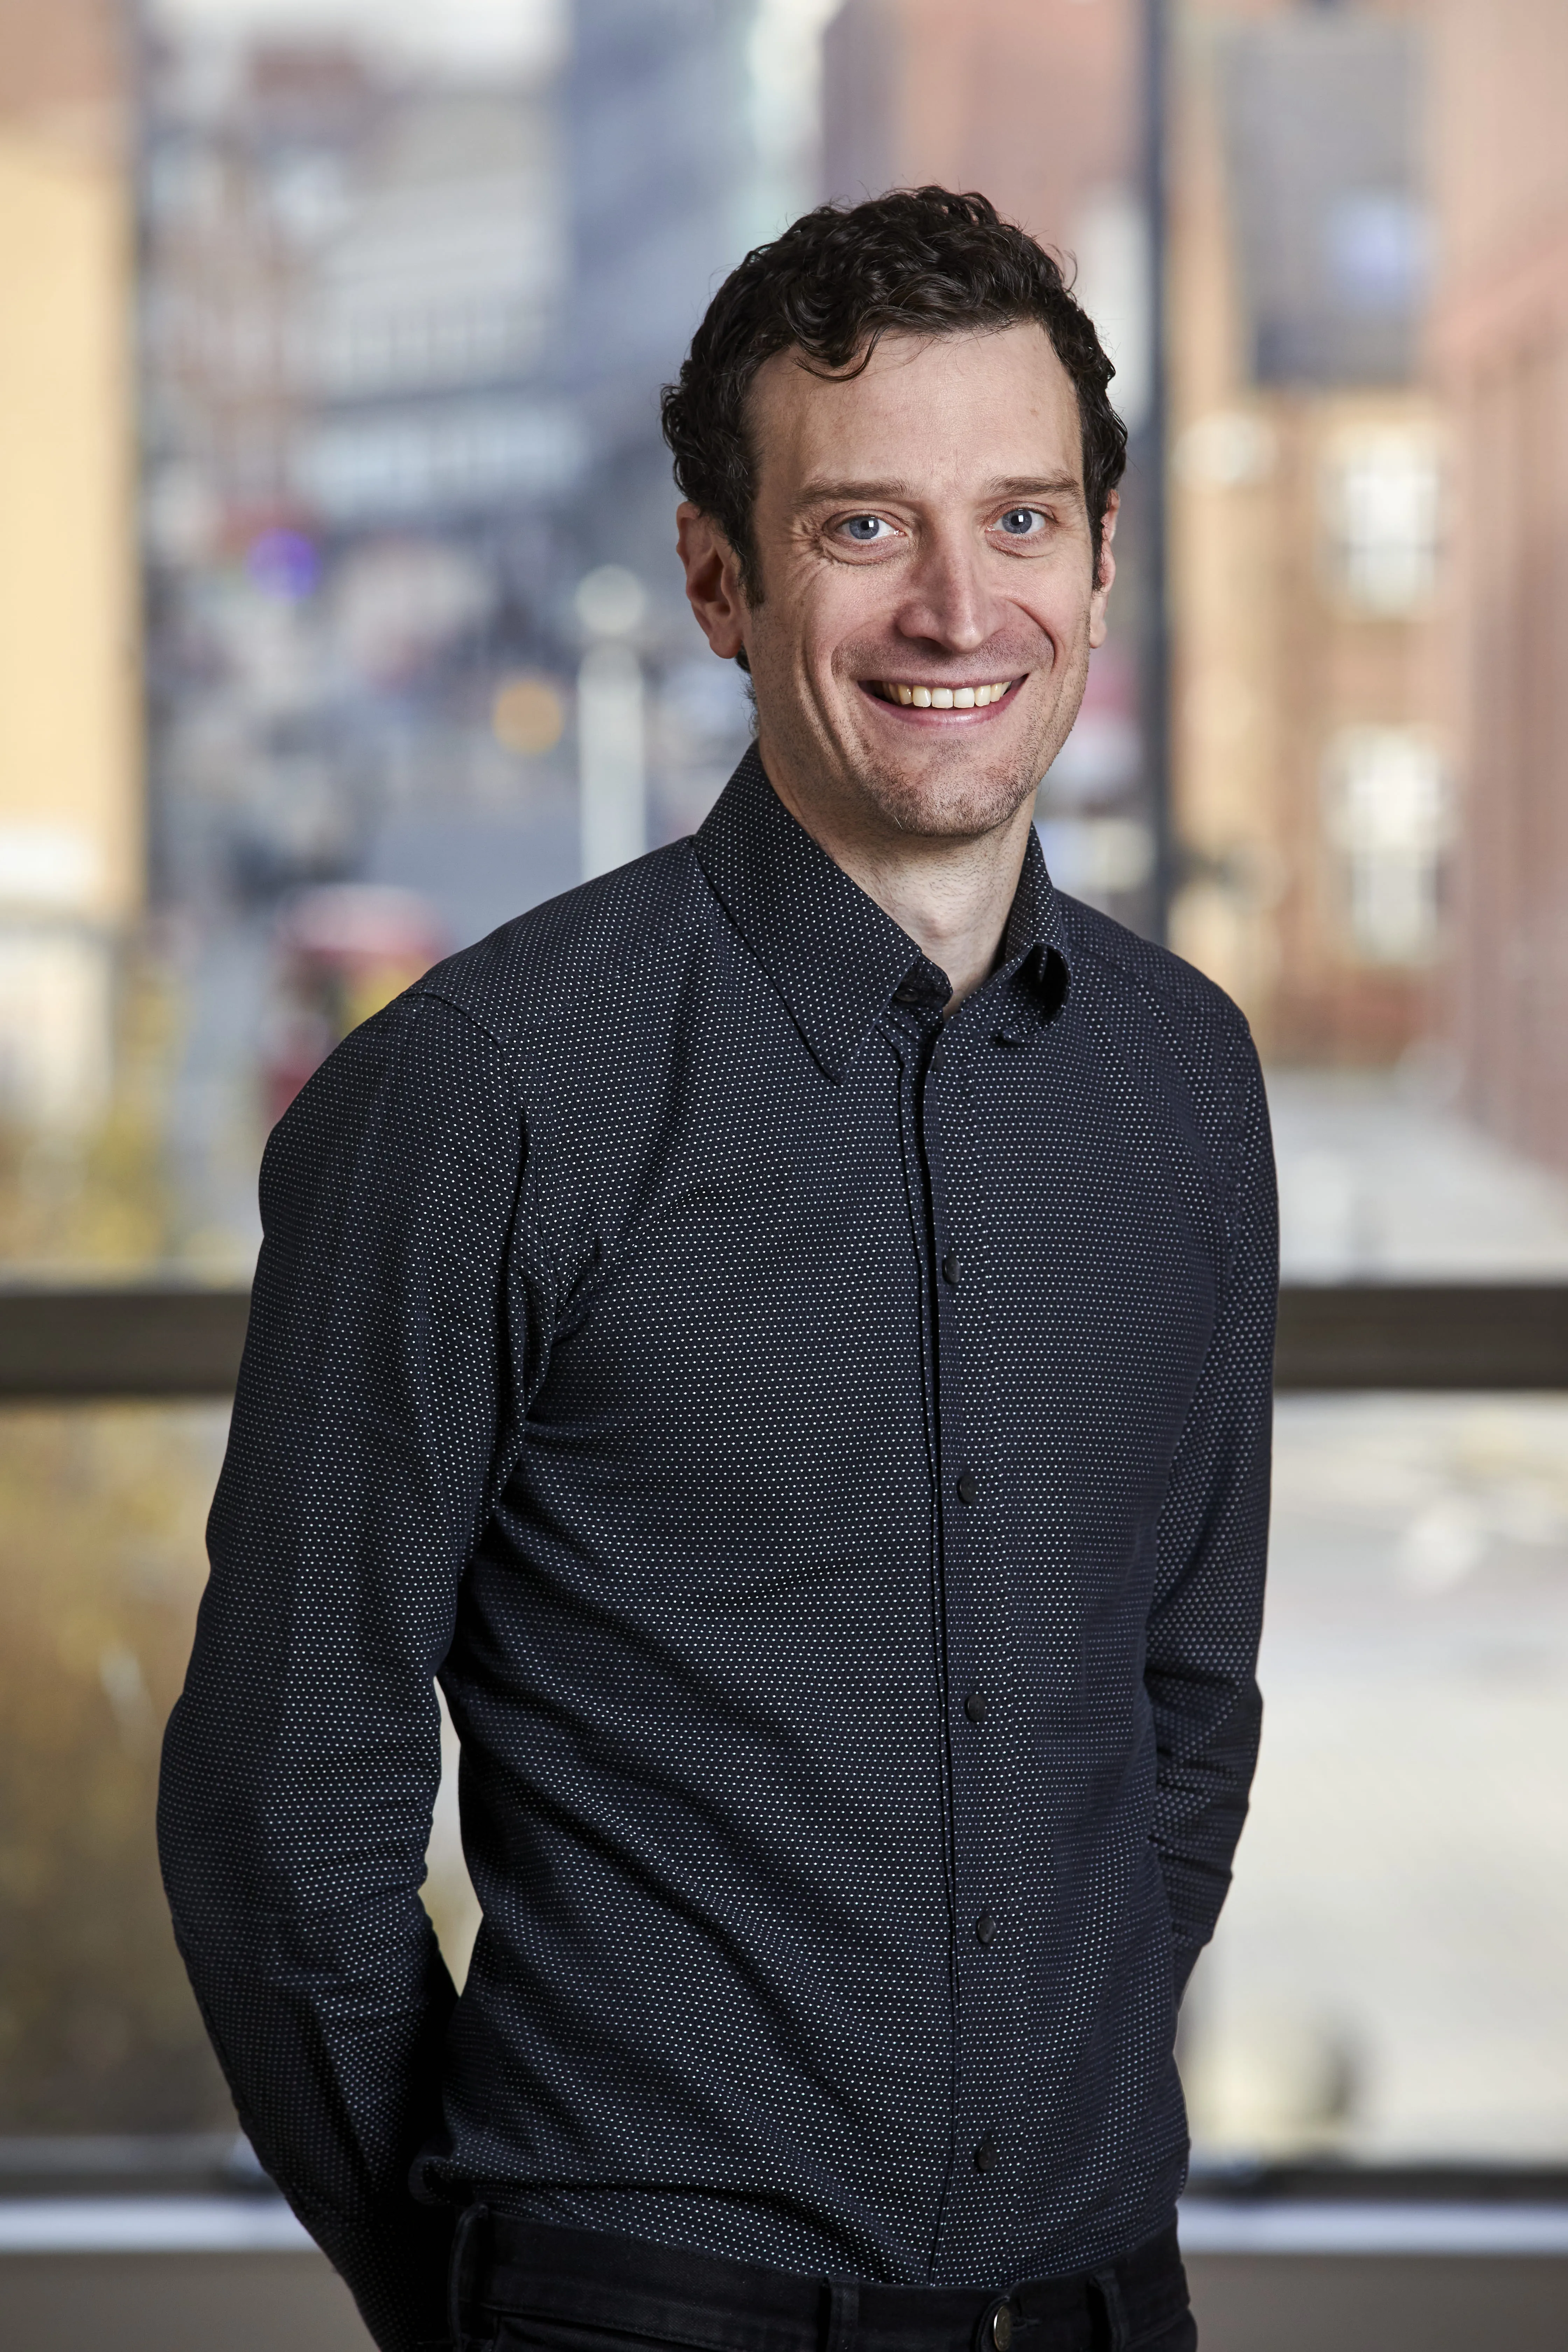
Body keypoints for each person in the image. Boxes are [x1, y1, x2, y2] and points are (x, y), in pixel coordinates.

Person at [160, 187, 1275, 2352]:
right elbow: (283, 1798)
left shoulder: (1184, 1084)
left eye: (1024, 518)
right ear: (715, 576)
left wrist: (1049, 2121)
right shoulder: (478, 1095)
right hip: (637, 2309)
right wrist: (491, 2287)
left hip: (1102, 2306)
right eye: (866, 530)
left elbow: (1185, 1708)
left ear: (1103, 562)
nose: (963, 605)